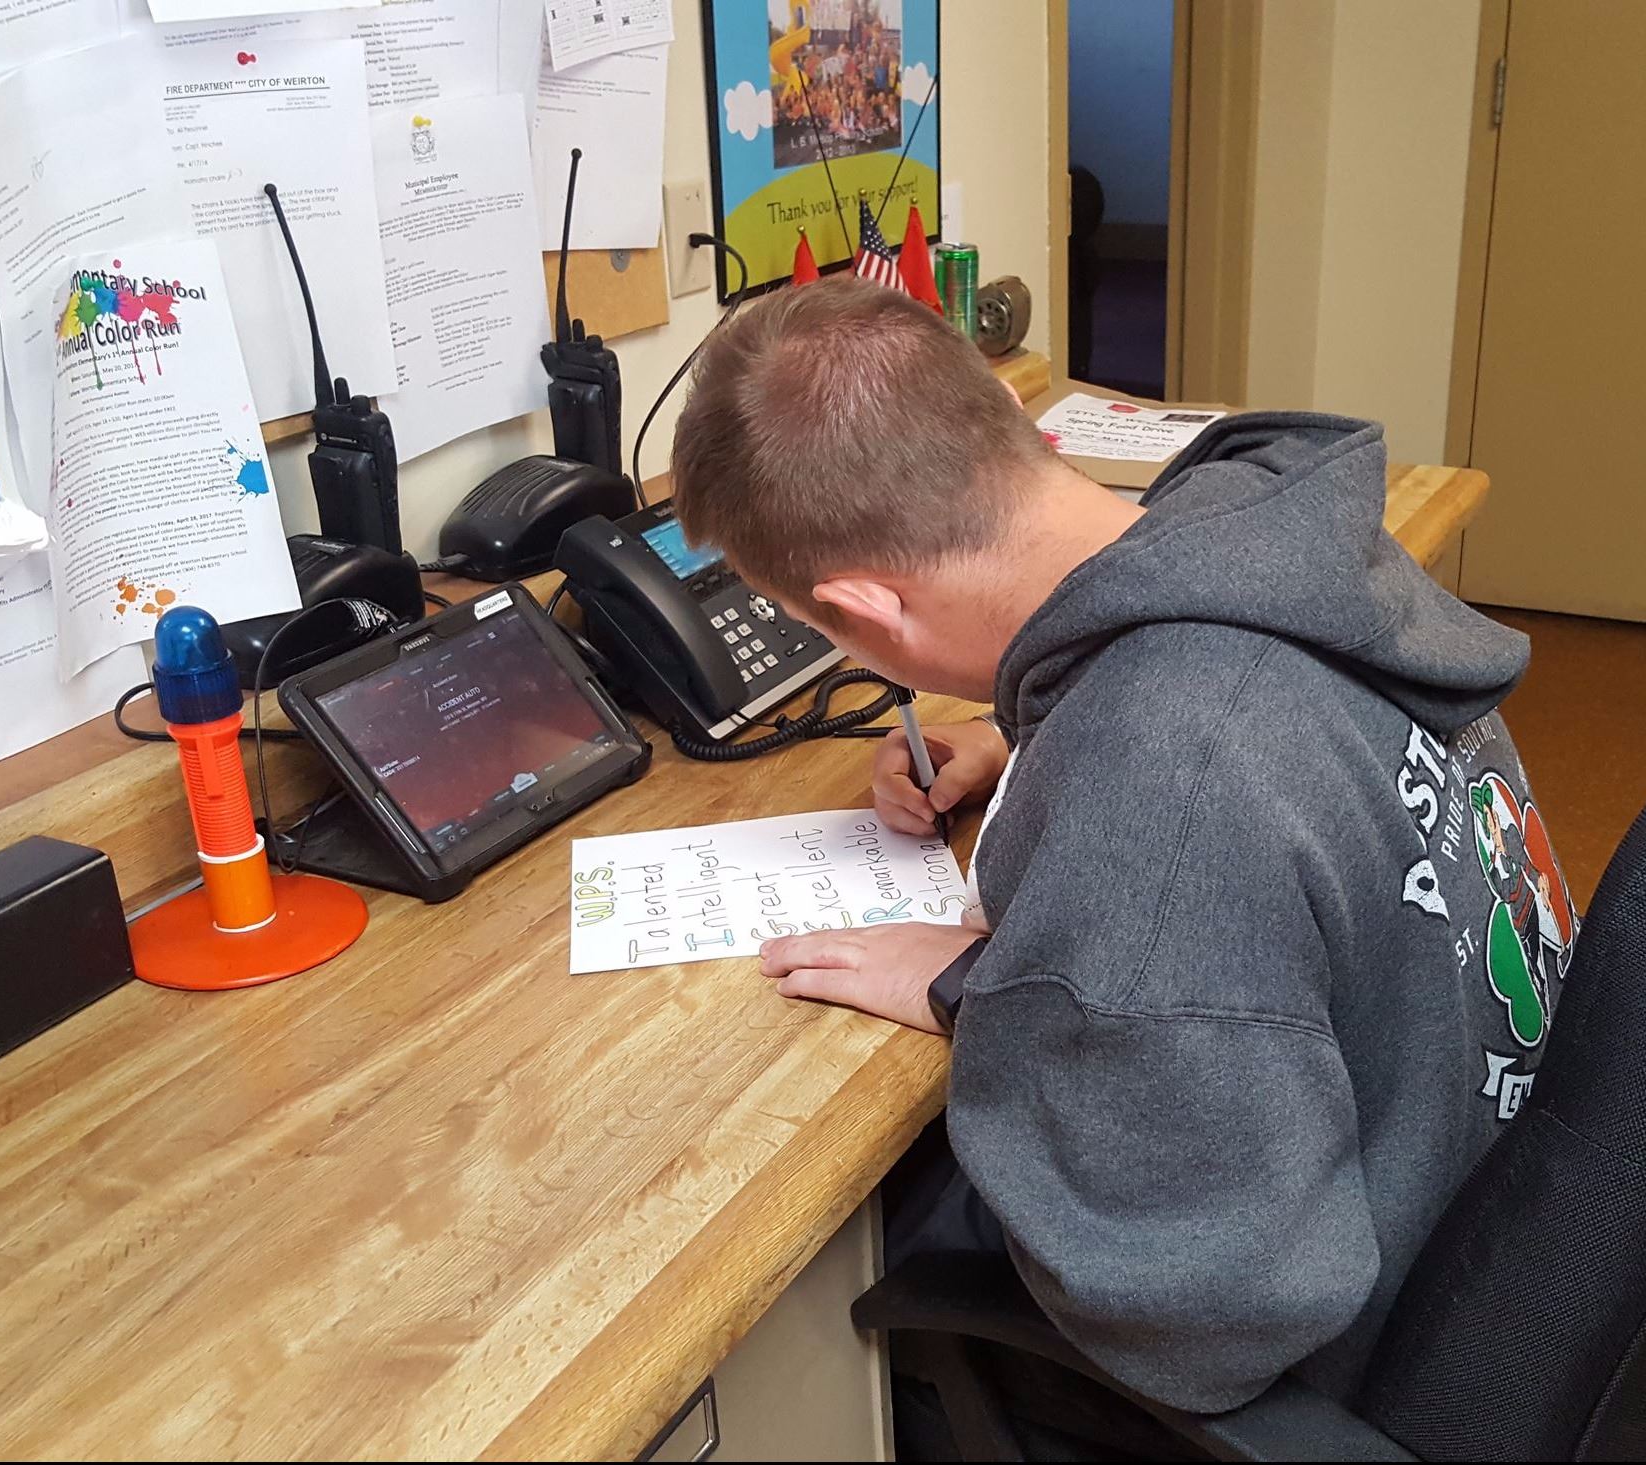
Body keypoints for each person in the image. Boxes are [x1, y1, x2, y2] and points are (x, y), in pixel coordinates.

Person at [668, 277, 1576, 1420]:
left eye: (827, 633)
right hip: (1482, 1186)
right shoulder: (1261, 547)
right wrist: (1033, 735)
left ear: (868, 607)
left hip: (1355, 1339)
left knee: (831, 1256)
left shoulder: (1165, 783)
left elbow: (1210, 1326)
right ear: (997, 408)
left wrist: (976, 987)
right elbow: (1258, 750)